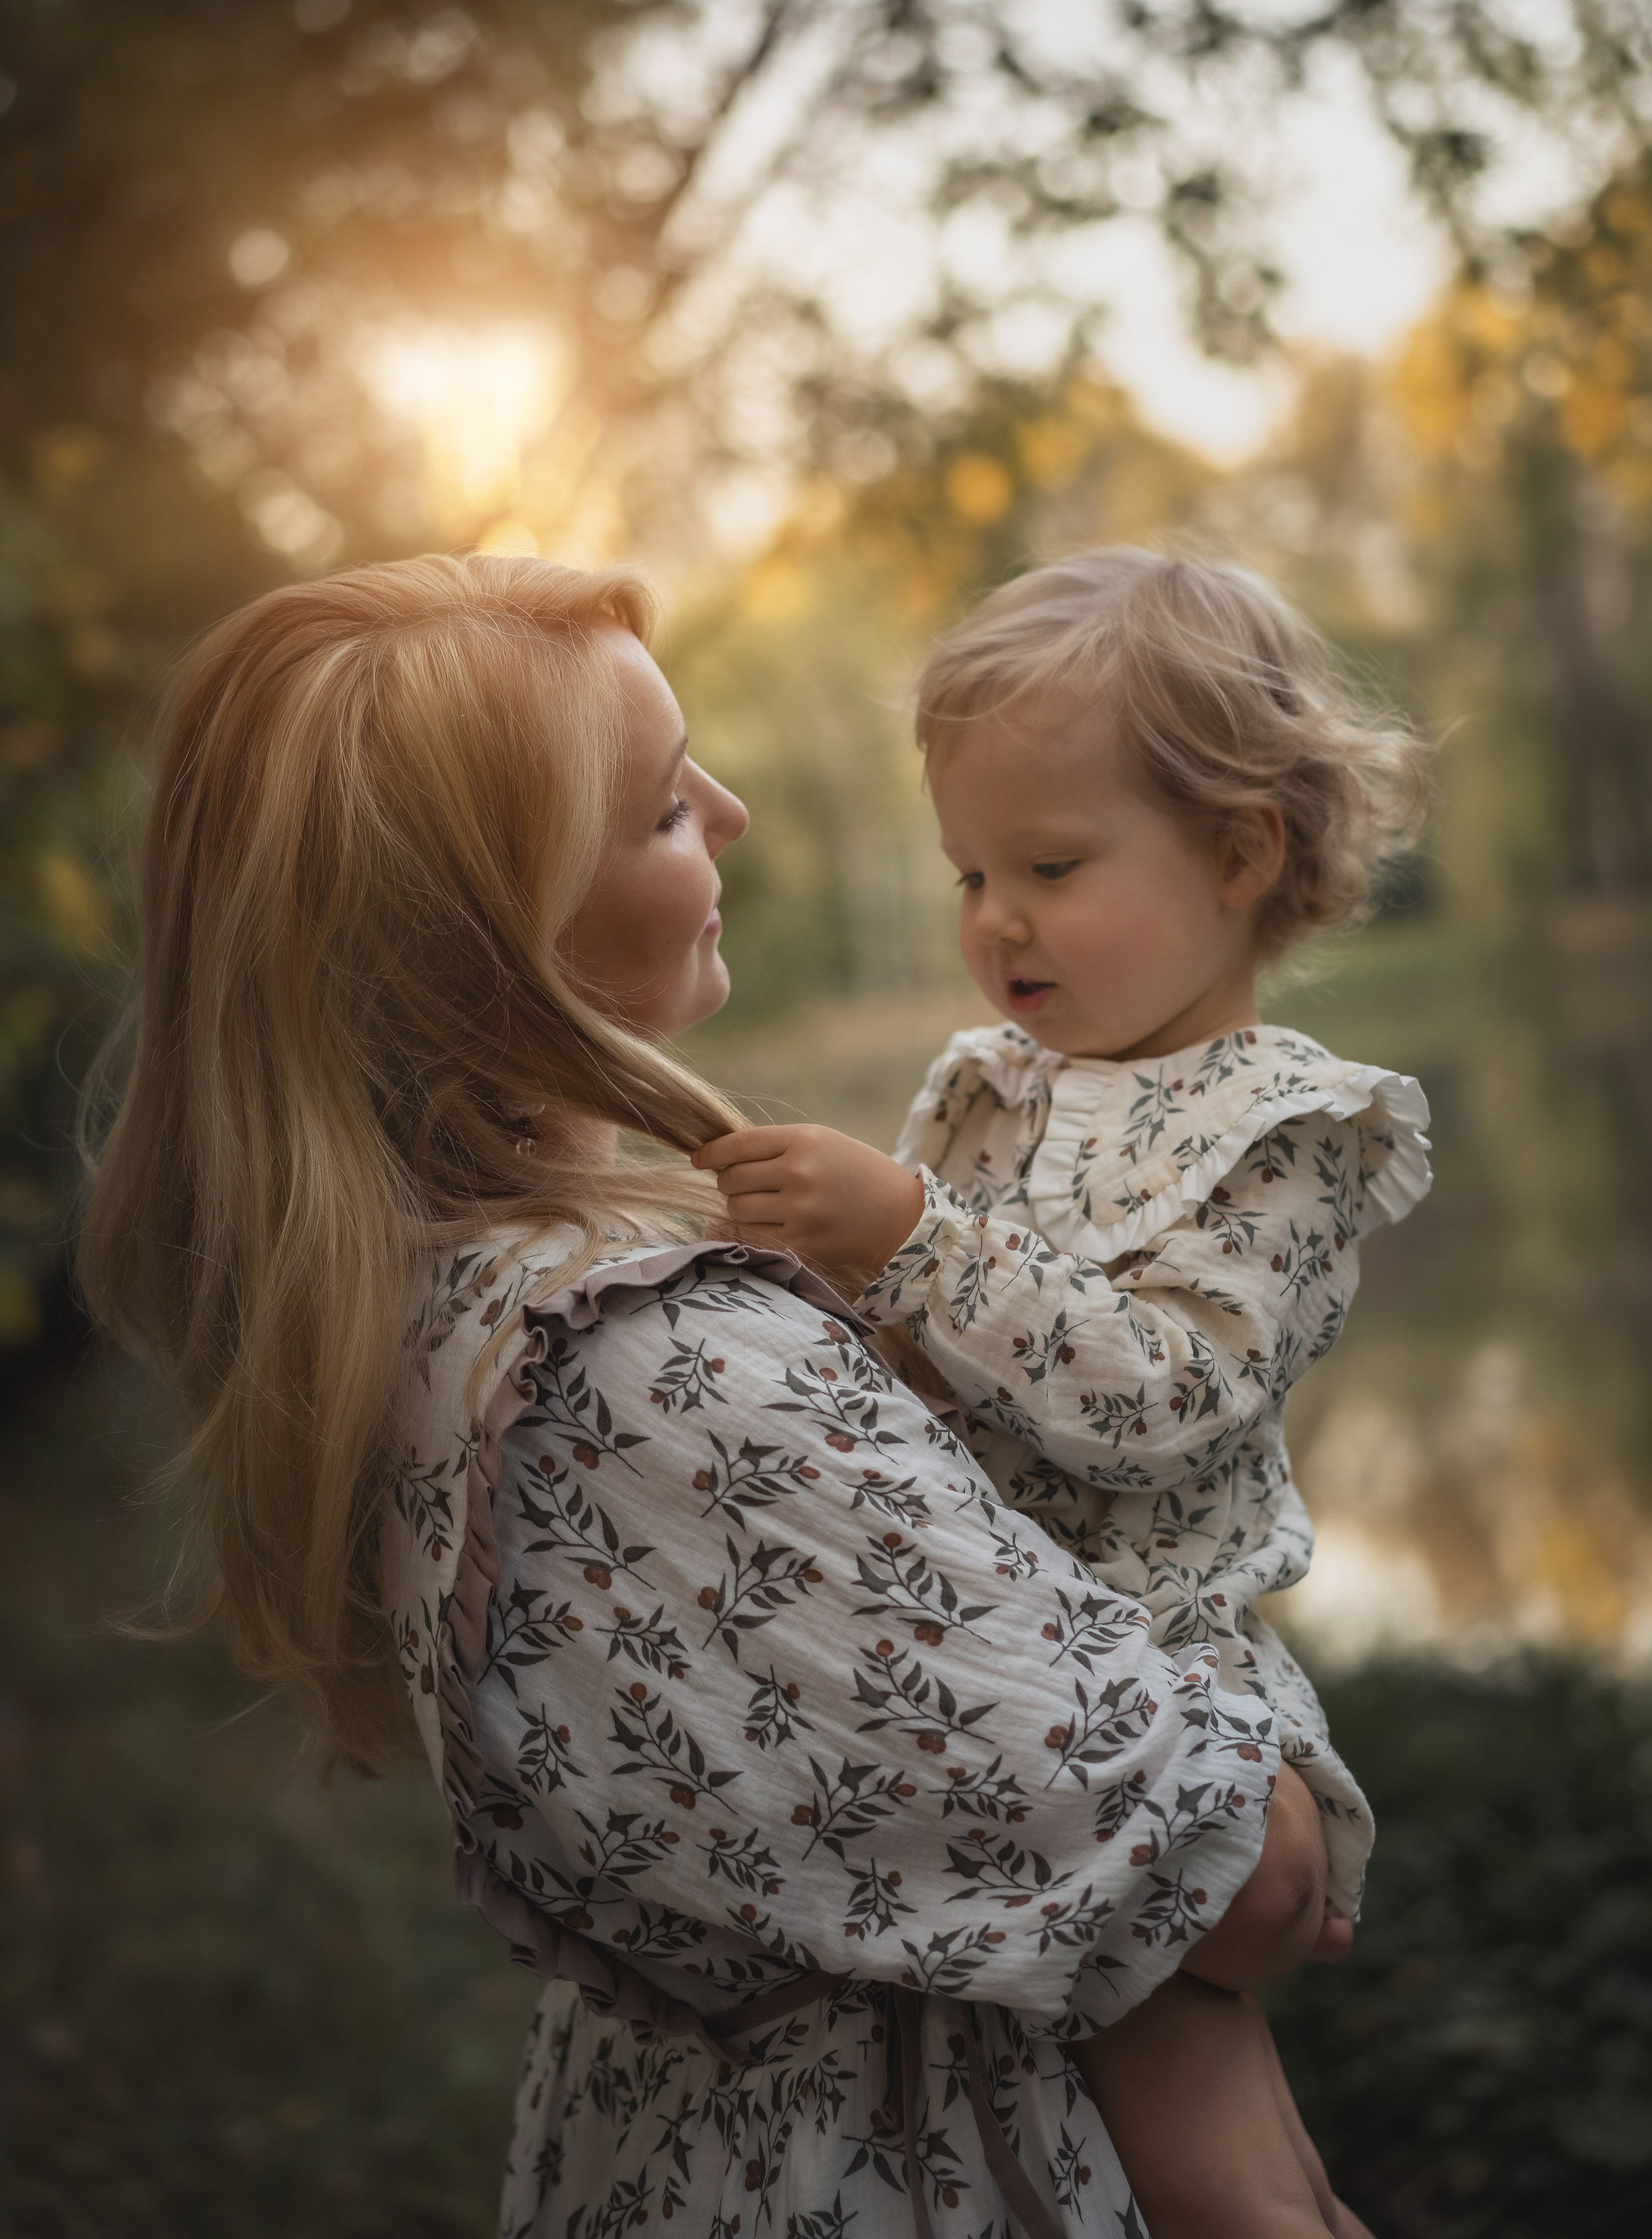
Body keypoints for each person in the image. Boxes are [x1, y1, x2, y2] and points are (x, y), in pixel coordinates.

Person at [79, 550, 1351, 2238]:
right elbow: (1251, 1883)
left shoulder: (442, 1293)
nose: (737, 815)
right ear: (497, 940)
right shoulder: (655, 1364)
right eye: (667, 811)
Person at [698, 547, 1434, 2236]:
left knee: (1215, 2178)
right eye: (970, 872)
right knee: (1157, 2153)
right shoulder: (985, 1093)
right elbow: (901, 1364)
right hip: (998, 1669)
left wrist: (907, 1243)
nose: (996, 921)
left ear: (1241, 853)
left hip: (1149, 1686)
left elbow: (1171, 1395)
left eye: (1050, 863)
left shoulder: (1286, 1133)